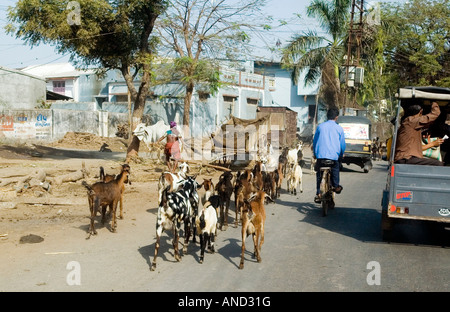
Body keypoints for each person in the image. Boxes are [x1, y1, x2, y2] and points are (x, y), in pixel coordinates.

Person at [312, 107, 346, 203]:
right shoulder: (339, 128)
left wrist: (315, 153)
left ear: (327, 116)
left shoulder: (320, 127)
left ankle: (318, 192)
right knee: (336, 168)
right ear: (336, 117)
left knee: (319, 173)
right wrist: (341, 154)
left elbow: (315, 142)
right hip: (333, 158)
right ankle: (335, 186)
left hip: (320, 157)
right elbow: (342, 145)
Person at [394, 101, 443, 166]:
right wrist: (433, 101)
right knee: (438, 164)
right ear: (421, 111)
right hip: (407, 158)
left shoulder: (408, 122)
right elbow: (435, 114)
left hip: (405, 158)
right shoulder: (411, 121)